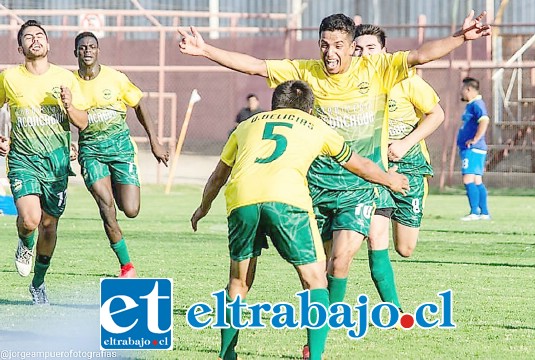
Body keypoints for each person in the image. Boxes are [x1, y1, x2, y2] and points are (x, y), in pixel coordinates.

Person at [178, 13, 489, 358]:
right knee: (323, 270)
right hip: (315, 188)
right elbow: (254, 66)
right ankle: (322, 325)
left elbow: (420, 55)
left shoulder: (376, 69)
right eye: (324, 45)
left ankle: (316, 345)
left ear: (353, 47)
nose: (329, 53)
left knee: (341, 261)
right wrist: (205, 50)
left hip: (358, 185)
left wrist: (461, 37)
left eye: (338, 45)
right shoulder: (306, 71)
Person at [190, 80, 409, 360]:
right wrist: (390, 179)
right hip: (287, 200)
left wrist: (202, 207)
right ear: (310, 107)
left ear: (274, 104)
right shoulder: (316, 126)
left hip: (242, 199)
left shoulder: (247, 125)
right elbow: (361, 166)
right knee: (315, 281)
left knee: (238, 283)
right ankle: (314, 355)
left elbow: (219, 175)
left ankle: (227, 354)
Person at [352, 24, 445, 310]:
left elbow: (437, 114)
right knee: (374, 236)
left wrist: (404, 143)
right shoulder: (349, 82)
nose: (364, 54)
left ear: (384, 51)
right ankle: (393, 311)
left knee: (405, 249)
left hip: (410, 167)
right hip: (374, 170)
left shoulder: (406, 80)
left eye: (370, 48)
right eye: (358, 49)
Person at [0, 20, 89, 305]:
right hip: (23, 160)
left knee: (49, 226)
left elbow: (83, 121)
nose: (35, 40)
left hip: (57, 165)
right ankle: (25, 243)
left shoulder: (66, 78)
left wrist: (69, 105)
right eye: (28, 37)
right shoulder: (9, 78)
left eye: (40, 36)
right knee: (31, 219)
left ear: (48, 44)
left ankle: (38, 283)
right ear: (20, 47)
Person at [73, 31, 169, 277]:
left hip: (121, 151)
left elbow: (138, 105)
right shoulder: (70, 83)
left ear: (98, 51)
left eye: (92, 47)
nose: (87, 51)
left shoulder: (115, 79)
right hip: (91, 152)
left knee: (131, 210)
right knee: (106, 206)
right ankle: (127, 266)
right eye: (82, 48)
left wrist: (155, 142)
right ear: (76, 53)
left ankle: (115, 182)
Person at [457, 76, 491, 221]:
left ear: (469, 89)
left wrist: (475, 139)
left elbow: (484, 120)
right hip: (475, 148)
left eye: (463, 89)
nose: (461, 92)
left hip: (473, 148)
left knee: (468, 179)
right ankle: (484, 212)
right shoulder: (473, 104)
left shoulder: (476, 104)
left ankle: (474, 212)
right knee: (477, 180)